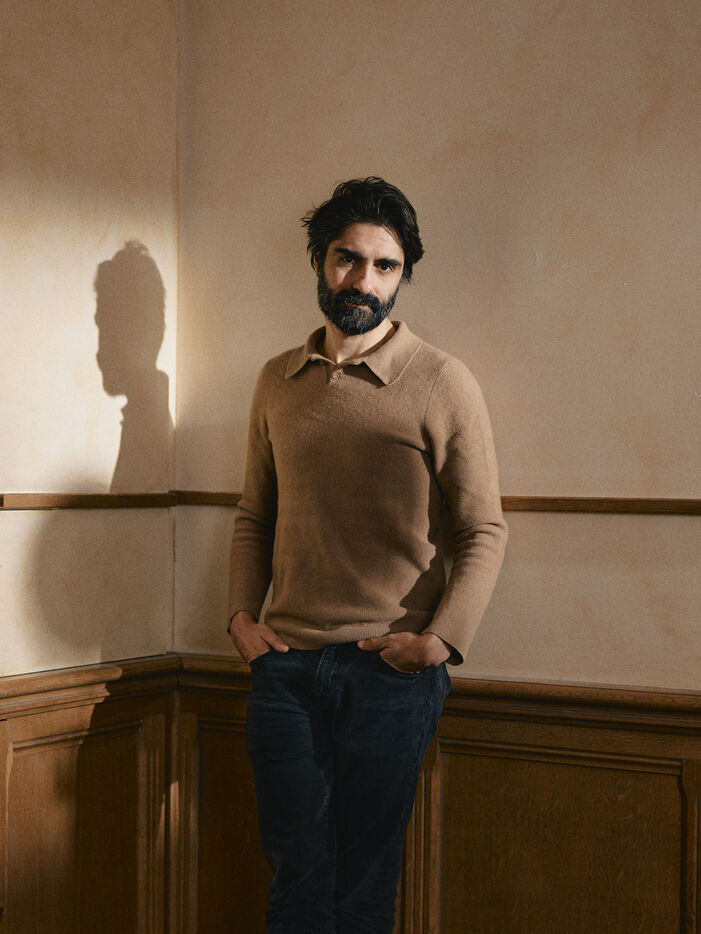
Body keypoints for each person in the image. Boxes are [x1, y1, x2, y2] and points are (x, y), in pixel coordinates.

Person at [228, 177, 507, 933]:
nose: (363, 280)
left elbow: (484, 528)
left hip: (389, 673)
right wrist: (241, 621)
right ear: (320, 262)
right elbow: (254, 515)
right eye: (347, 259)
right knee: (294, 885)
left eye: (385, 266)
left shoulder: (442, 380)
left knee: (361, 892)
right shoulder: (276, 379)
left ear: (402, 276)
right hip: (284, 669)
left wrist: (440, 641)